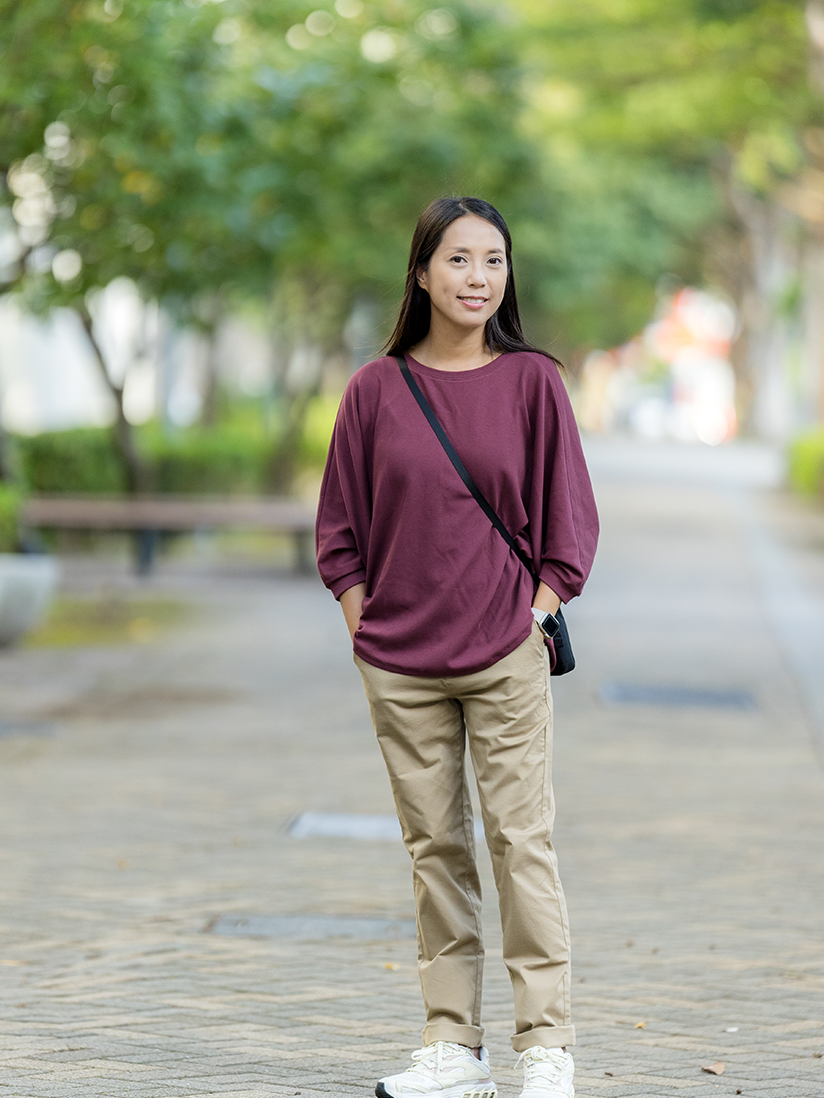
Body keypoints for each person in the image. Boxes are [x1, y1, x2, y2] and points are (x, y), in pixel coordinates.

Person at [315, 196, 599, 1098]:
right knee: (434, 848)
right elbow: (338, 532)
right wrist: (365, 629)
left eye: (494, 262)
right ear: (422, 273)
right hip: (400, 664)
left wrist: (536, 611)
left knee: (523, 842)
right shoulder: (374, 389)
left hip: (504, 653)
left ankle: (546, 1046)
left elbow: (572, 525)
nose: (479, 278)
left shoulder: (532, 383)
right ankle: (452, 1046)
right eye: (460, 261)